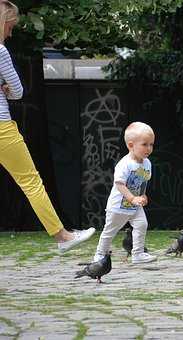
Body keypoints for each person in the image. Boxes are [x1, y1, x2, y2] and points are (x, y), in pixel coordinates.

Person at [0, 1, 95, 253]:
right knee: (31, 182)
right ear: (4, 22)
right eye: (10, 27)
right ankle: (62, 237)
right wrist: (6, 90)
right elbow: (18, 91)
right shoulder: (0, 51)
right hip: (1, 128)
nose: (10, 33)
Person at [93, 122, 156, 264]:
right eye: (145, 144)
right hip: (118, 207)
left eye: (151, 144)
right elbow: (119, 184)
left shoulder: (147, 163)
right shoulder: (125, 164)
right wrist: (133, 198)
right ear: (131, 145)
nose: (149, 148)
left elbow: (143, 181)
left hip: (134, 206)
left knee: (142, 224)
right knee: (110, 231)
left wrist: (143, 195)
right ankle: (100, 254)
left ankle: (138, 254)